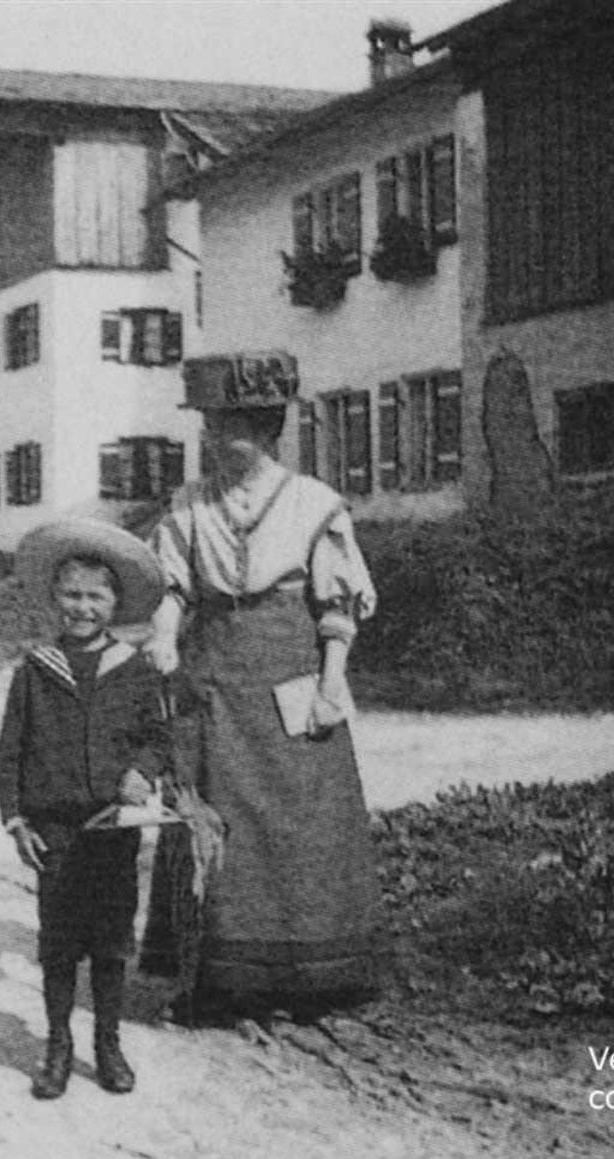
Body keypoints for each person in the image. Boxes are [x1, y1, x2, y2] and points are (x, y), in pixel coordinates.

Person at [142, 358, 381, 1012]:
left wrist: (333, 682)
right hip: (214, 676)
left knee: (300, 819)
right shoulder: (189, 505)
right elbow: (171, 584)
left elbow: (338, 605)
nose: (221, 441)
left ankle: (314, 972)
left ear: (270, 430)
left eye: (237, 429)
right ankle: (219, 976)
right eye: (215, 426)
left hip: (292, 674)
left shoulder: (314, 503)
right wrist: (164, 634)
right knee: (214, 818)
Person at [0, 518, 171, 1100]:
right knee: (60, 942)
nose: (83, 607)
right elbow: (8, 753)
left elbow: (158, 739)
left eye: (96, 596)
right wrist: (16, 817)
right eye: (72, 594)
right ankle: (57, 1044)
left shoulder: (136, 670)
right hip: (54, 831)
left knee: (113, 940)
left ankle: (108, 1043)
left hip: (112, 829)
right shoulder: (36, 671)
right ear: (54, 598)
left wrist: (142, 773)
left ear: (116, 603)